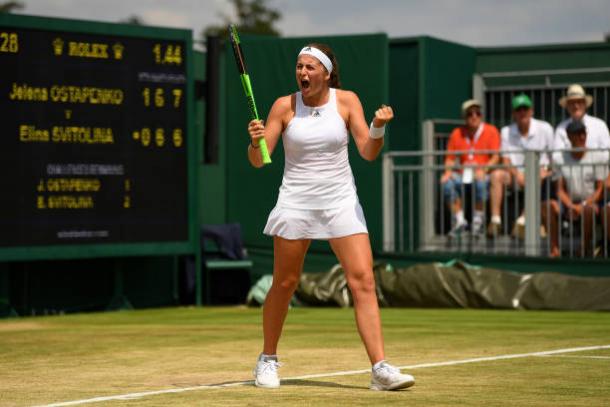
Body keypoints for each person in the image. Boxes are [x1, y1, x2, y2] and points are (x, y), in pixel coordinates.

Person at [246, 43, 414, 391]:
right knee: (285, 283)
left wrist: (378, 127)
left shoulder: (347, 101)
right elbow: (260, 160)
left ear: (325, 73)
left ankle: (380, 369)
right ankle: (267, 359)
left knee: (363, 281)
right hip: (296, 202)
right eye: (299, 67)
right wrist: (254, 142)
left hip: (340, 202)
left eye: (310, 67)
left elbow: (368, 151)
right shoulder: (283, 106)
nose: (302, 73)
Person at [488, 94, 554, 238]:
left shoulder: (545, 128)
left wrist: (546, 171)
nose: (522, 112)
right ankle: (495, 221)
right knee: (496, 175)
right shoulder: (506, 131)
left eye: (525, 109)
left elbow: (553, 158)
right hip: (514, 175)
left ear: (531, 111)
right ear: (513, 114)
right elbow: (505, 160)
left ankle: (523, 221)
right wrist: (518, 175)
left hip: (540, 174)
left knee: (536, 176)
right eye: (519, 109)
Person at [542, 121, 609, 257]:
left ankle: (584, 248)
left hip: (592, 203)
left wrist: (583, 205)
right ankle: (554, 248)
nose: (581, 137)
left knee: (588, 209)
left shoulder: (598, 156)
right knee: (547, 206)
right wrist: (571, 205)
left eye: (583, 133)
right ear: (569, 136)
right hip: (569, 203)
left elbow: (600, 189)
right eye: (577, 134)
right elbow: (559, 190)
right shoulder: (559, 158)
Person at [440, 99, 500, 236]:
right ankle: (459, 221)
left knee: (481, 183)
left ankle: (478, 221)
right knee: (447, 183)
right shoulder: (457, 133)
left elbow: (495, 157)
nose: (474, 116)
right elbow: (450, 158)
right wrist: (447, 172)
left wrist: (484, 170)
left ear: (481, 115)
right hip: (462, 173)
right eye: (470, 114)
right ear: (464, 117)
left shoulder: (491, 131)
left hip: (482, 172)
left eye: (477, 113)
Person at [554, 84, 610, 162]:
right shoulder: (560, 128)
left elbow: (607, 154)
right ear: (567, 106)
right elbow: (556, 157)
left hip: (597, 172)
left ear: (585, 104)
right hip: (569, 172)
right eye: (572, 102)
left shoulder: (600, 125)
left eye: (579, 102)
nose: (576, 106)